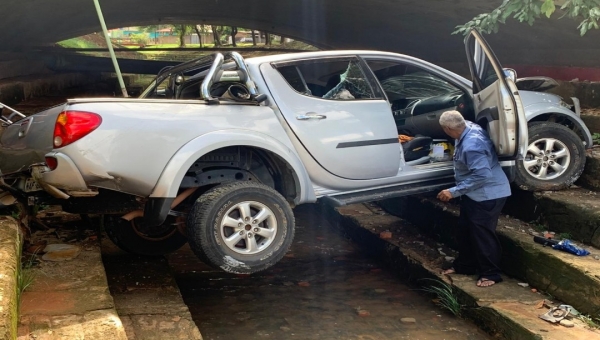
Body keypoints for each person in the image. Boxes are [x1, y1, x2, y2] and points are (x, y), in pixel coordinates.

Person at [436, 110, 511, 288]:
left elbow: (482, 175)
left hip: (488, 194)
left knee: (482, 235)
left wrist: (454, 191)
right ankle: (465, 266)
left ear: (447, 129)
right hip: (473, 193)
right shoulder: (468, 128)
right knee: (464, 230)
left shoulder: (472, 146)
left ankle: (491, 274)